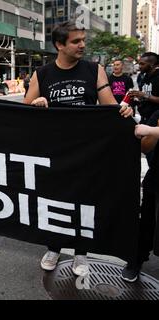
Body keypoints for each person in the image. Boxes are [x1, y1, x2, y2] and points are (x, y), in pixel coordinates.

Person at [23, 20, 133, 277]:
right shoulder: (43, 74)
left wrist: (123, 110)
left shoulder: (95, 70)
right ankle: (54, 247)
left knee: (84, 202)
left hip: (87, 152)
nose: (82, 44)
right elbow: (24, 110)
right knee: (55, 201)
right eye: (76, 41)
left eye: (83, 39)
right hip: (55, 152)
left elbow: (110, 108)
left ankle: (81, 253)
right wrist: (37, 103)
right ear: (59, 45)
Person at [124, 116, 159, 282]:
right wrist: (152, 134)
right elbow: (144, 147)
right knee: (147, 222)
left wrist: (153, 131)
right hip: (156, 178)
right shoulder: (157, 115)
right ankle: (136, 260)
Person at [129, 52, 159, 124]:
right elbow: (143, 95)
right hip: (144, 118)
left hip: (156, 120)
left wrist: (144, 95)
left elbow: (145, 95)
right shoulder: (141, 76)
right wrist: (136, 97)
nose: (139, 66)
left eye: (142, 64)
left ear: (152, 64)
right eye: (139, 63)